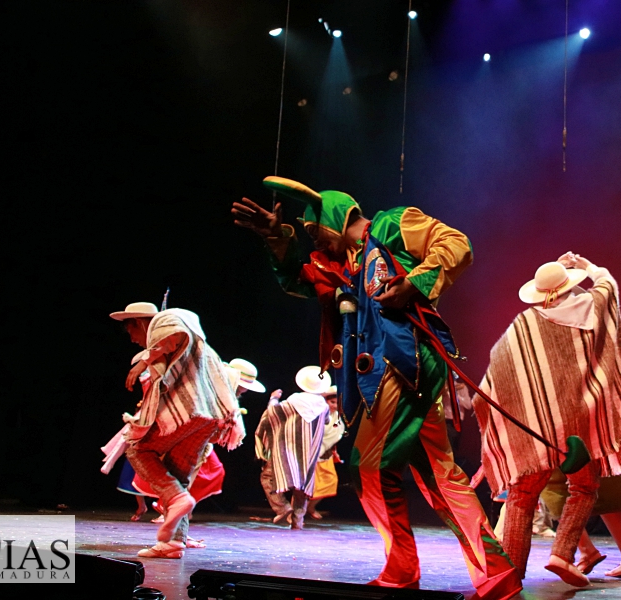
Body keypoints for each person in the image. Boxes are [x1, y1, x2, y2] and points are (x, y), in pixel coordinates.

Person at [233, 177, 519, 598]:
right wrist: (277, 238)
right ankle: (497, 574)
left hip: (403, 365)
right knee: (442, 477)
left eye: (317, 233)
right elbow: (300, 276)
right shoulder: (341, 266)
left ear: (335, 218)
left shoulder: (391, 225)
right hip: (381, 376)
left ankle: (402, 567)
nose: (316, 242)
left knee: (368, 468)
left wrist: (415, 282)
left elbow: (456, 243)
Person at [474, 253, 621, 588]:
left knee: (524, 496)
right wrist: (585, 266)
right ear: (568, 286)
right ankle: (562, 554)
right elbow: (607, 282)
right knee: (583, 487)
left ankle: (510, 575)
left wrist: (493, 408)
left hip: (539, 429)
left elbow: (496, 375)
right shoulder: (592, 308)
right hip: (581, 429)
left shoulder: (525, 326)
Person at [111, 302, 245, 559]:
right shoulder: (195, 348)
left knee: (138, 450)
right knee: (178, 475)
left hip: (189, 412)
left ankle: (175, 499)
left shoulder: (171, 321)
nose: (134, 341)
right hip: (206, 418)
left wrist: (145, 360)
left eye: (132, 333)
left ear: (140, 323)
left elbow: (179, 327)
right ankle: (173, 543)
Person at [255, 366, 329, 529]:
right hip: (309, 452)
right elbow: (327, 421)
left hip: (287, 449)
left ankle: (283, 508)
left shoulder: (294, 401)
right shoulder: (323, 405)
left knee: (268, 476)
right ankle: (298, 520)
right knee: (302, 485)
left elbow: (273, 412)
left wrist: (274, 398)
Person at [306, 385, 344, 520]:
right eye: (332, 402)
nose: (334, 406)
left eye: (337, 403)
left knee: (330, 482)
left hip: (326, 455)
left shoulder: (337, 417)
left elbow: (336, 435)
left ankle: (309, 507)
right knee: (310, 486)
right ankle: (300, 510)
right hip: (312, 454)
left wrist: (335, 451)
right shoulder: (318, 414)